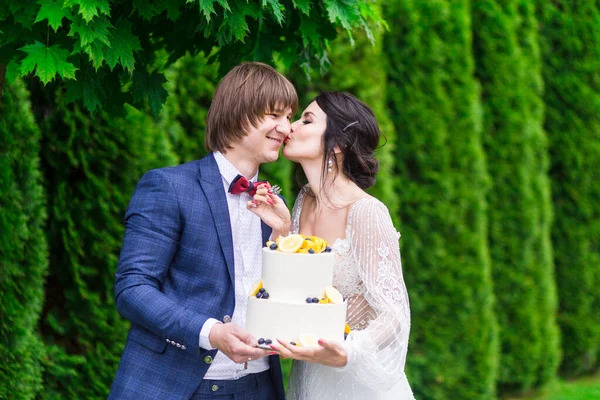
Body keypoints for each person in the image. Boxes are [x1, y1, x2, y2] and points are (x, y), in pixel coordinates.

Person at [109, 62, 297, 399]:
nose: (286, 128)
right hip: (175, 387)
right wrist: (211, 332)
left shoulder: (274, 206)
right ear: (240, 112)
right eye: (275, 115)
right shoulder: (169, 185)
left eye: (289, 117)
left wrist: (282, 233)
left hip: (259, 388)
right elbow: (132, 288)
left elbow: (282, 301)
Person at [249, 91, 415, 399]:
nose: (290, 127)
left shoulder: (366, 212)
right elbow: (295, 289)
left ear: (338, 144)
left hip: (357, 382)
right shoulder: (303, 202)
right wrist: (282, 229)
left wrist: (349, 350)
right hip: (309, 376)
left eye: (306, 120)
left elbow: (394, 313)